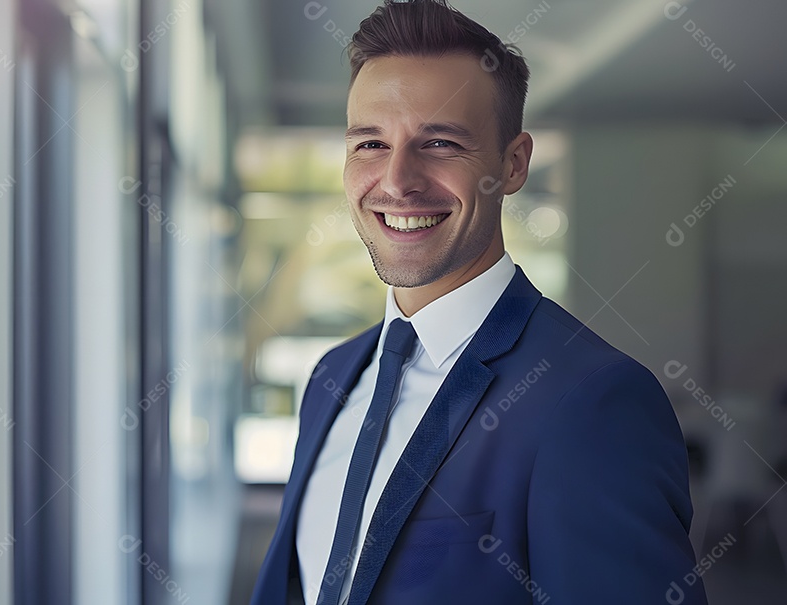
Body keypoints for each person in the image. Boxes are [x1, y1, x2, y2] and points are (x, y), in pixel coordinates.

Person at [251, 1, 706, 603]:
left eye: (439, 143)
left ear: (512, 164)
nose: (395, 180)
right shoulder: (333, 377)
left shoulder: (592, 404)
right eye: (369, 144)